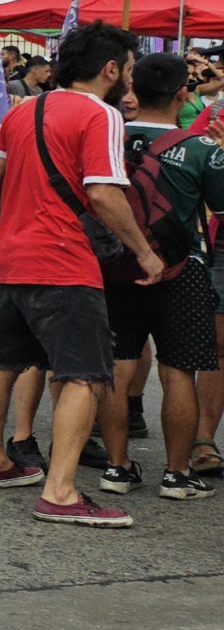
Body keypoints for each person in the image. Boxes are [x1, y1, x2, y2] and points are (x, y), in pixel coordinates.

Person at [0, 21, 164, 526]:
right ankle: (59, 492)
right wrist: (143, 252)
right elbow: (103, 193)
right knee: (85, 374)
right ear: (110, 69)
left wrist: (22, 209)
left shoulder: (23, 110)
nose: (127, 77)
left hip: (12, 260)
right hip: (63, 262)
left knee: (6, 362)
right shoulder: (99, 114)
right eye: (126, 67)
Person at [93, 52, 224, 502]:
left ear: (133, 91)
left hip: (114, 266)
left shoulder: (106, 138)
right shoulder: (202, 148)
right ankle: (176, 473)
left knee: (117, 366)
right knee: (178, 372)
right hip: (180, 268)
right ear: (182, 94)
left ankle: (116, 467)